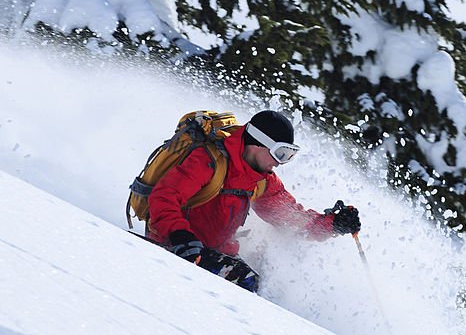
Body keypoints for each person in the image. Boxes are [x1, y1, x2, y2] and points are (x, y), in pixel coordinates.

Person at [147, 110, 361, 292]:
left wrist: (331, 224)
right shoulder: (208, 161)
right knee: (248, 280)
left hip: (216, 251)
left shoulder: (262, 181)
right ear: (257, 144)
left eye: (289, 155)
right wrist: (179, 234)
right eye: (280, 153)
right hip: (177, 245)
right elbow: (165, 196)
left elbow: (291, 220)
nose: (281, 163)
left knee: (270, 278)